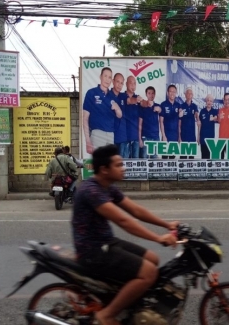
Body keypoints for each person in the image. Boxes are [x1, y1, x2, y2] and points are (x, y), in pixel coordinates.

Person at [72, 144, 178, 325]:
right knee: (149, 273)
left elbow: (136, 211)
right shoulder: (91, 190)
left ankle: (129, 304)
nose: (124, 168)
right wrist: (158, 238)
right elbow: (124, 221)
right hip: (93, 250)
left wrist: (167, 225)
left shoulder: (108, 187)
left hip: (106, 242)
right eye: (119, 165)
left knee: (153, 259)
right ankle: (106, 315)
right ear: (104, 169)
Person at [83, 67, 123, 154]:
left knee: (109, 164)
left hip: (110, 135)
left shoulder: (113, 96)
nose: (107, 79)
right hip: (97, 133)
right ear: (100, 77)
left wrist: (117, 108)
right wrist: (87, 141)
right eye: (105, 76)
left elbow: (120, 115)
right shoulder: (91, 93)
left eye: (109, 77)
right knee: (99, 163)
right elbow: (85, 118)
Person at [122, 76, 142, 159]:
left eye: (134, 83)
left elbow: (144, 104)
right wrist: (137, 100)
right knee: (124, 165)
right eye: (131, 83)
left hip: (136, 137)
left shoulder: (138, 98)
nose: (133, 85)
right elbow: (129, 100)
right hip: (124, 137)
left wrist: (147, 103)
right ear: (126, 84)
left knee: (136, 165)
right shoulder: (121, 96)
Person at [139, 86, 162, 159]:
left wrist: (159, 109)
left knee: (154, 159)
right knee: (144, 158)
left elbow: (161, 111)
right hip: (145, 137)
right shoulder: (142, 107)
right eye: (149, 93)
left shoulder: (157, 106)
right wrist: (140, 139)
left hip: (155, 137)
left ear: (154, 95)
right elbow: (140, 124)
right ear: (146, 94)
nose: (151, 95)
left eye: (152, 93)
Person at [159, 85, 180, 158]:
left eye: (174, 92)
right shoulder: (163, 104)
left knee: (172, 160)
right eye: (170, 91)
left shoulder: (178, 105)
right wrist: (163, 136)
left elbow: (179, 123)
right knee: (164, 158)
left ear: (176, 93)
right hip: (166, 136)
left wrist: (179, 137)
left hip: (175, 137)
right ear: (167, 93)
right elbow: (161, 121)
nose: (172, 93)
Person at [179, 87, 199, 159]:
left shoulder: (194, 106)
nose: (189, 95)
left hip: (192, 136)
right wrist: (179, 136)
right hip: (183, 135)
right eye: (188, 93)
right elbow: (179, 123)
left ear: (192, 95)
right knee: (183, 157)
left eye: (191, 93)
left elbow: (197, 117)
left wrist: (198, 119)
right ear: (185, 95)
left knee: (191, 157)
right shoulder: (181, 106)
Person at [111, 73, 128, 158]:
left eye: (121, 83)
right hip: (110, 137)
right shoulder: (107, 95)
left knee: (121, 165)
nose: (119, 85)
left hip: (122, 137)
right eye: (117, 81)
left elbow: (132, 100)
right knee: (110, 164)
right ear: (113, 81)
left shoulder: (124, 96)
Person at [198, 94, 218, 159]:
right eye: (208, 100)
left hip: (210, 138)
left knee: (210, 157)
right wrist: (198, 137)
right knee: (203, 156)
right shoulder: (202, 111)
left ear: (212, 103)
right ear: (206, 101)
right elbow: (199, 125)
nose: (209, 102)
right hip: (203, 137)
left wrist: (215, 117)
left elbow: (218, 119)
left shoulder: (214, 111)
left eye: (211, 101)